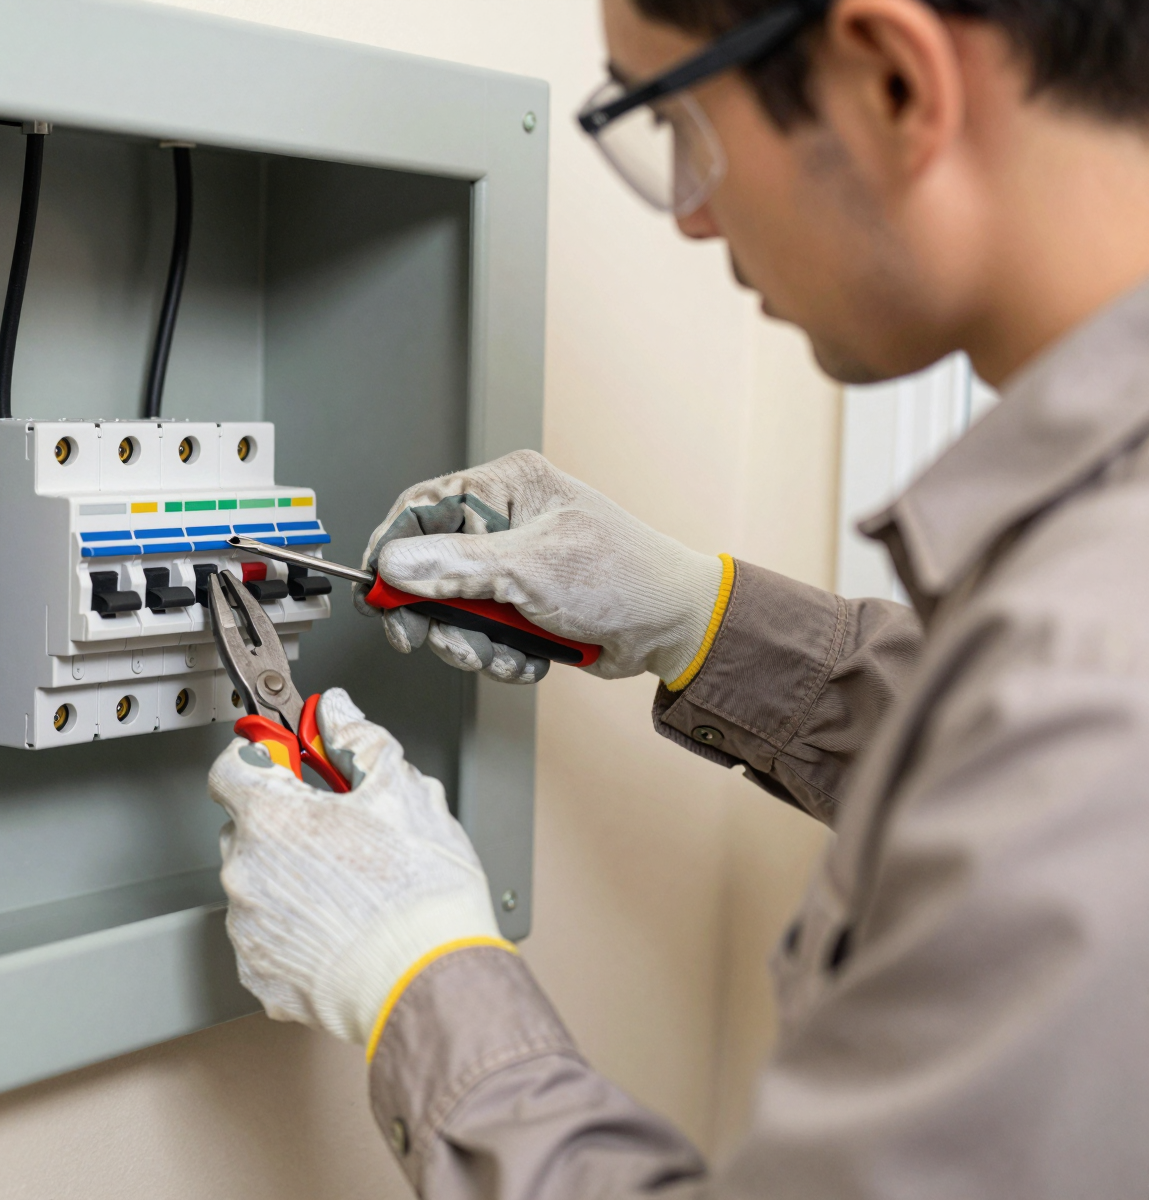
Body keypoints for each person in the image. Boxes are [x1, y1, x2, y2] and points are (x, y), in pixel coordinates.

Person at [207, 0, 1149, 1195]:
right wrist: (700, 621)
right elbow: (1021, 759)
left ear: (893, 80)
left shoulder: (1098, 667)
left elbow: (1077, 733)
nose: (695, 213)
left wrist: (418, 978)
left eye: (680, 124)